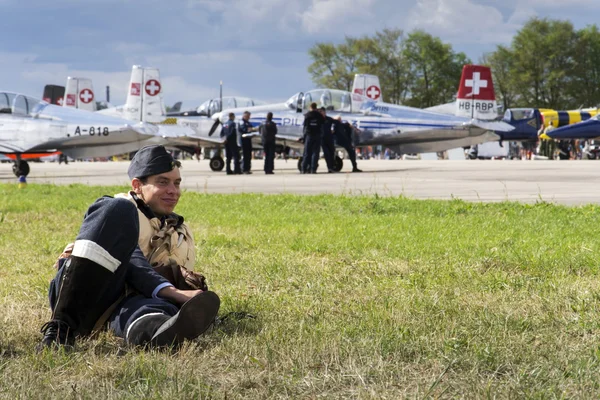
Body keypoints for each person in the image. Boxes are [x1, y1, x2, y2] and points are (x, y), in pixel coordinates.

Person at [38, 145, 220, 350]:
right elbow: (132, 258)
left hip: (125, 302)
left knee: (153, 312)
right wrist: (173, 291)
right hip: (85, 293)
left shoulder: (180, 230)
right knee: (161, 295)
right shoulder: (117, 209)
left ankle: (154, 330)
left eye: (177, 183)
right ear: (137, 185)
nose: (173, 191)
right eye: (163, 182)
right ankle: (60, 331)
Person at [301, 102, 324, 174]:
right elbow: (322, 123)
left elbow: (305, 126)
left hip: (309, 135)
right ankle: (313, 169)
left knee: (307, 153)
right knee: (315, 153)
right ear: (316, 107)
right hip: (317, 135)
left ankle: (303, 169)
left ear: (310, 107)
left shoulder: (307, 115)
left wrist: (303, 137)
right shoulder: (319, 115)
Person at [319, 107, 336, 173]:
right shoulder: (318, 120)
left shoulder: (329, 119)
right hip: (322, 139)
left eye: (322, 112)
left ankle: (332, 166)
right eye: (320, 112)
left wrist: (333, 129)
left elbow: (335, 123)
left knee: (332, 152)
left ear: (325, 112)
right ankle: (329, 167)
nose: (321, 113)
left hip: (329, 138)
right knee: (327, 154)